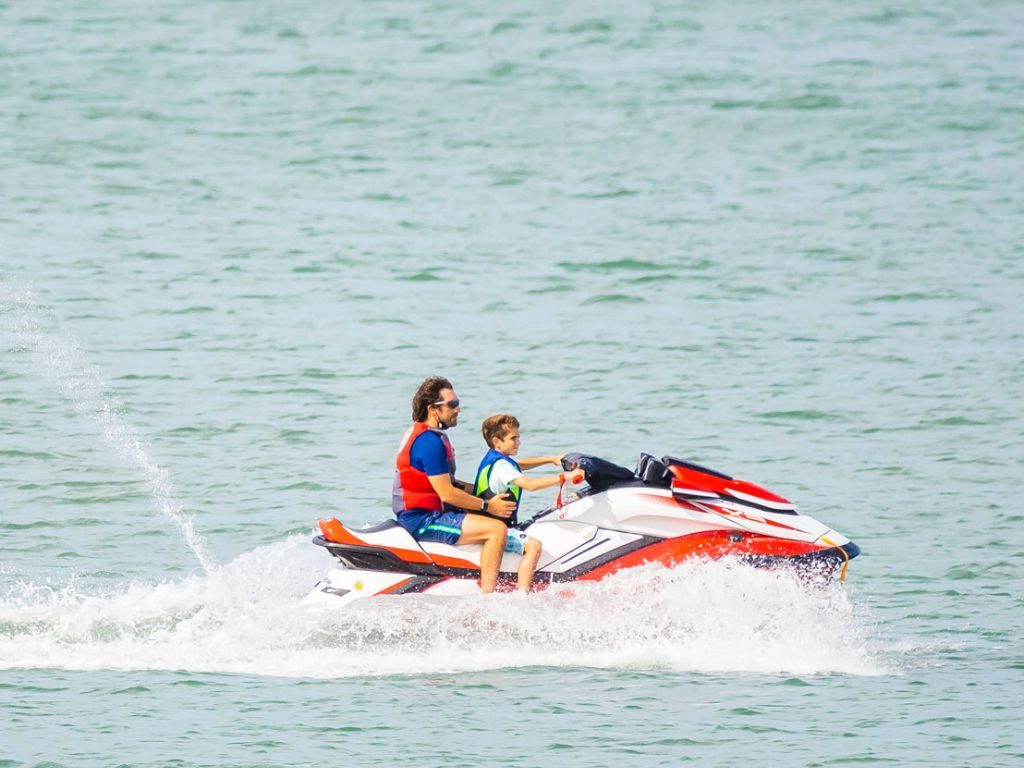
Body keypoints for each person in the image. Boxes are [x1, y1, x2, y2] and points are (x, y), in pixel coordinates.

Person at [392, 376, 517, 593]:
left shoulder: (426, 434)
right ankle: (488, 597)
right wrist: (489, 506)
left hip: (431, 510)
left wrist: (484, 494)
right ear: (433, 409)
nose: (457, 409)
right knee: (496, 530)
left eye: (457, 403)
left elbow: (448, 483)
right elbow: (447, 493)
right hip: (422, 520)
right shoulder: (429, 442)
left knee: (490, 515)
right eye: (452, 405)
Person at [474, 414, 585, 592]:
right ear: (497, 441)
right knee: (534, 546)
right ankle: (523, 594)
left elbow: (519, 465)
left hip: (492, 523)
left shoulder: (496, 459)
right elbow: (530, 485)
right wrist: (566, 477)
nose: (519, 442)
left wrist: (550, 459)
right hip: (498, 528)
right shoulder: (502, 467)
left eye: (519, 436)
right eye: (513, 438)